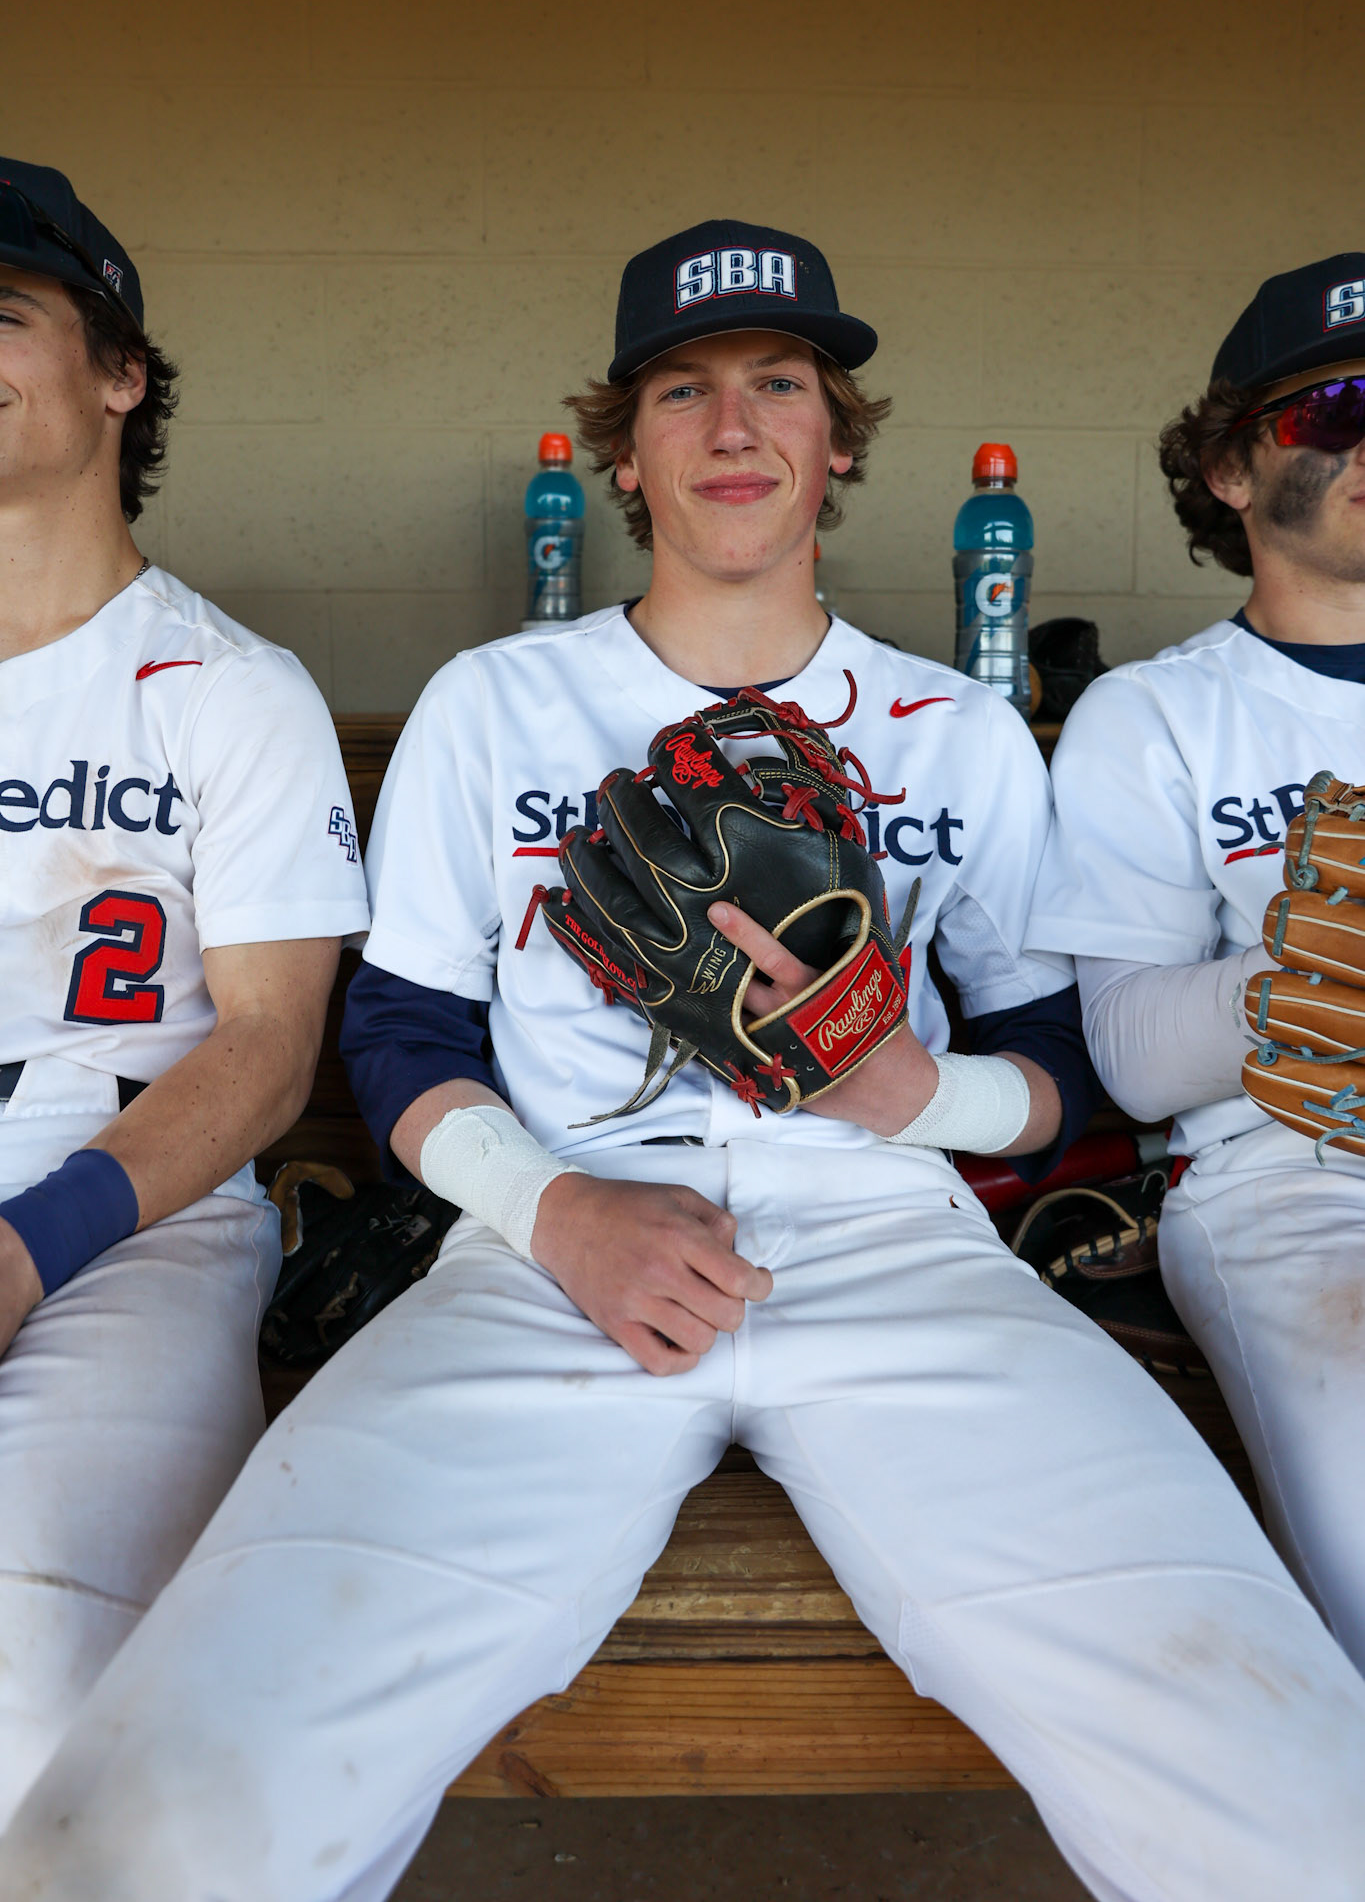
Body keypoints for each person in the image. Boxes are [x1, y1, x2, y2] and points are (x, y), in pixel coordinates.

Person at [7, 221, 1365, 1902]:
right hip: (541, 1266)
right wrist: (556, 1208)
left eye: (779, 385)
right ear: (624, 453)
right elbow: (403, 1036)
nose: (735, 427)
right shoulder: (494, 704)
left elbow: (1054, 1077)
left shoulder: (953, 728)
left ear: (837, 440)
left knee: (1299, 1798)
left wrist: (908, 1095)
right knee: (149, 1829)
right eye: (683, 392)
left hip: (893, 1255)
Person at [0, 159, 370, 1826]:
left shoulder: (226, 689)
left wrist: (31, 1246)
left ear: (119, 374)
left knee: (37, 1708)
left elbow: (274, 1050)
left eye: (5, 318)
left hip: (130, 1210)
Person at [1027, 253, 1365, 1670]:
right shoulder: (1154, 716)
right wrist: (1317, 962)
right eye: (1337, 405)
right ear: (1230, 468)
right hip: (1293, 1177)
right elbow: (1133, 1052)